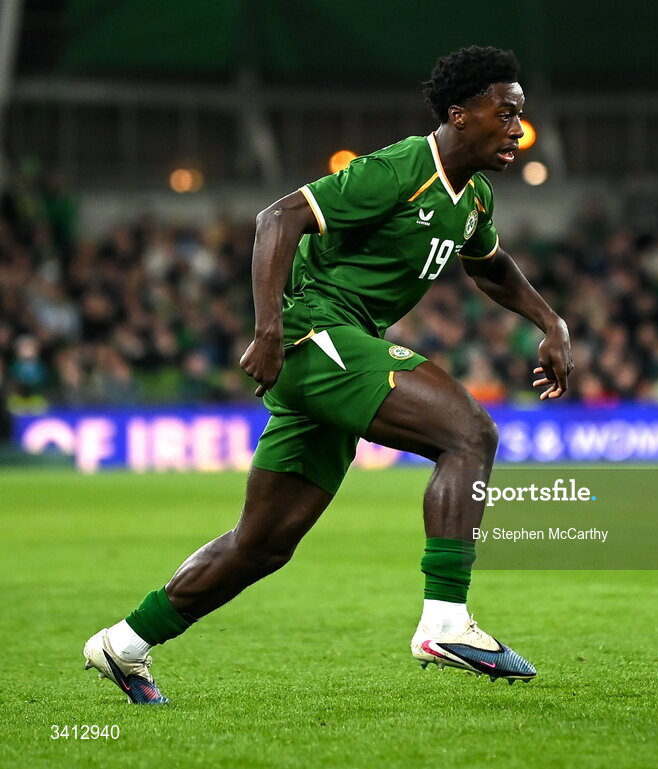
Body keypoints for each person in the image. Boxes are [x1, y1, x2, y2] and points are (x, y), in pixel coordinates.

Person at [83, 46, 572, 704]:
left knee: (261, 545)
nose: (517, 127)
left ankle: (123, 643)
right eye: (505, 113)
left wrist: (551, 322)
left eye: (520, 114)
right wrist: (269, 329)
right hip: (315, 335)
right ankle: (445, 620)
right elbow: (276, 217)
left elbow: (489, 265)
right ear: (460, 115)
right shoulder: (402, 167)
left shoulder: (474, 198)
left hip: (338, 347)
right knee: (470, 434)